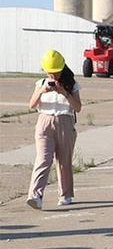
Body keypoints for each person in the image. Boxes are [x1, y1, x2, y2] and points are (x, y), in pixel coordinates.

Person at [26, 50, 82, 209]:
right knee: (43, 159)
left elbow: (78, 108)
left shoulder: (72, 84)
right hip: (44, 122)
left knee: (64, 161)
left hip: (65, 121)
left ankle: (65, 195)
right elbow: (31, 105)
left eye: (56, 73)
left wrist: (64, 92)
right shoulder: (41, 83)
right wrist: (42, 90)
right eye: (50, 73)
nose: (53, 76)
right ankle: (35, 195)